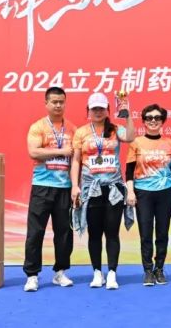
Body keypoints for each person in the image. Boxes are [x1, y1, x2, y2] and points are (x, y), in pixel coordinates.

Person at [70, 92, 135, 290]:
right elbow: (76, 161)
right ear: (88, 111)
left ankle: (112, 273)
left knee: (112, 232)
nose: (98, 112)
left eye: (101, 108)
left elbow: (130, 137)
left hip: (113, 188)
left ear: (107, 110)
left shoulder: (115, 129)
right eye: (94, 109)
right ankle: (97, 272)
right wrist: (75, 185)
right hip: (91, 189)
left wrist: (127, 115)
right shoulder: (81, 132)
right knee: (95, 233)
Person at [23, 87, 77, 292]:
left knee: (64, 232)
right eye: (54, 102)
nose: (58, 105)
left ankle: (60, 272)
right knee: (35, 232)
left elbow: (76, 160)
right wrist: (61, 151)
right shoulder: (38, 127)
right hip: (42, 186)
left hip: (64, 187)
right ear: (46, 103)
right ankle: (32, 275)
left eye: (61, 101)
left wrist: (76, 186)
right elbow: (34, 152)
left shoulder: (72, 129)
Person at [126, 104, 171, 286]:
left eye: (157, 117)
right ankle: (148, 270)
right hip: (143, 193)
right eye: (149, 118)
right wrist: (130, 191)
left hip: (166, 192)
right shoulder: (136, 142)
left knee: (162, 232)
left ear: (162, 121)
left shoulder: (170, 143)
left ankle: (159, 269)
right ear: (144, 121)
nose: (153, 121)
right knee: (146, 233)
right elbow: (129, 170)